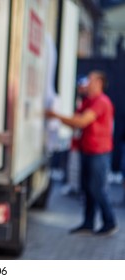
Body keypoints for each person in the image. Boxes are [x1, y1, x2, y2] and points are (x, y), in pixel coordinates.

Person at [46, 70, 118, 236]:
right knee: (87, 188)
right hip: (87, 150)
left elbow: (81, 121)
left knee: (96, 188)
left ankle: (110, 222)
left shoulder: (101, 102)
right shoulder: (88, 101)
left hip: (98, 152)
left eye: (90, 80)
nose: (87, 83)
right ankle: (88, 222)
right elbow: (74, 121)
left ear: (99, 83)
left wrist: (55, 115)